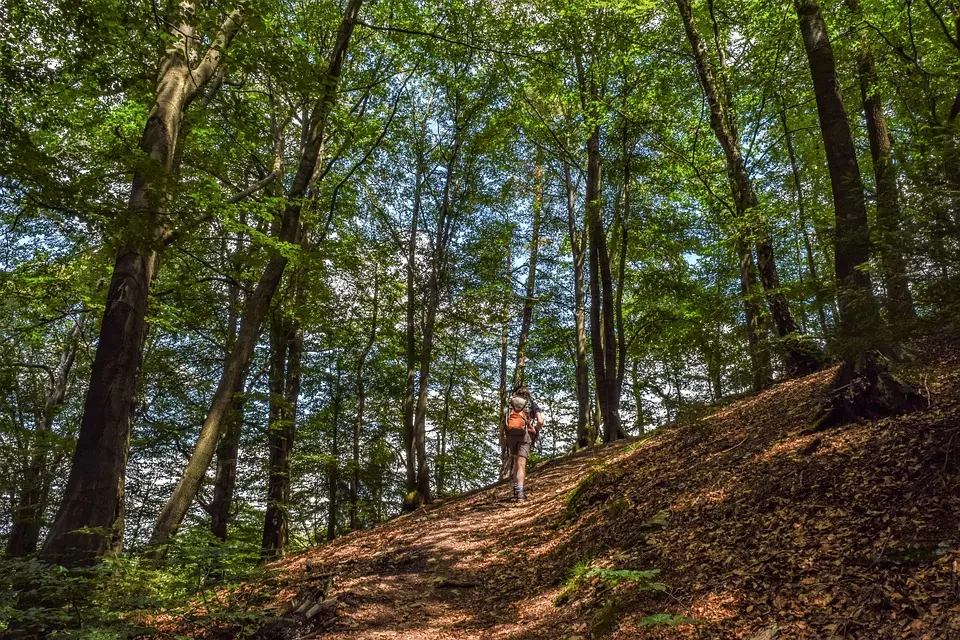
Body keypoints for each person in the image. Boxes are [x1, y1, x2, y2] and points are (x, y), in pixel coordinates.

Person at [503, 385, 544, 502]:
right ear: (528, 394)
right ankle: (520, 493)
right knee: (521, 463)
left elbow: (504, 419)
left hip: (511, 434)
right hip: (525, 435)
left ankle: (516, 491)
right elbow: (540, 421)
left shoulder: (510, 403)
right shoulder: (531, 404)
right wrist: (535, 430)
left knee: (516, 462)